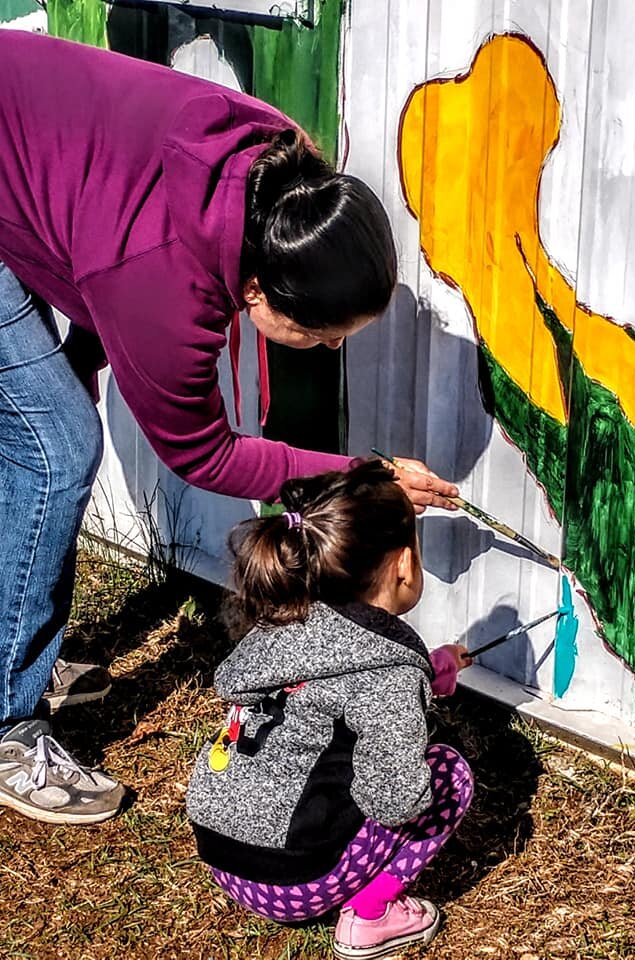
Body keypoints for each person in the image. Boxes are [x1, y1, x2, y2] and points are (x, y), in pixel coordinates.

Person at [0, 32, 459, 824]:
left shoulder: (281, 162)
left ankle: (17, 648)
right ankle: (9, 722)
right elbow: (201, 451)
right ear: (255, 291)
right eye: (320, 336)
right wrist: (362, 472)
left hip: (42, 153)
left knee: (45, 417)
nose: (333, 349)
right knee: (58, 448)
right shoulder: (161, 286)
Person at [186, 460, 473, 959]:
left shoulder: (284, 619)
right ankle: (370, 916)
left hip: (221, 855)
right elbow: (396, 802)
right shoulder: (387, 675)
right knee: (449, 775)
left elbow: (328, 685)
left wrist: (425, 673)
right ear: (404, 565)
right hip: (292, 880)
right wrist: (410, 694)